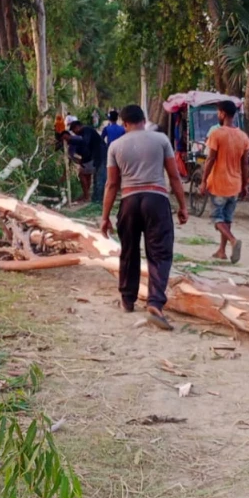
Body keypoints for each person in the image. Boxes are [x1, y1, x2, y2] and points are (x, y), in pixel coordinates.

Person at [101, 104, 189, 330]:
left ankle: (127, 299)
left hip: (129, 201)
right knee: (159, 252)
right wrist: (182, 206)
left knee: (129, 251)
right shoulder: (161, 140)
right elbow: (174, 176)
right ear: (143, 119)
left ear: (124, 123)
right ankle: (155, 303)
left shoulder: (116, 146)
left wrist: (105, 217)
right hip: (156, 199)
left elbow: (112, 184)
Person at [201, 100, 249, 263]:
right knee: (227, 219)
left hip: (219, 183)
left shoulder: (217, 133)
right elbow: (245, 163)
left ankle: (233, 240)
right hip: (235, 184)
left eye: (218, 112)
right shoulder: (243, 136)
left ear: (222, 113)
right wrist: (245, 184)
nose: (218, 115)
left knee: (217, 218)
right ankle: (221, 251)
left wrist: (203, 181)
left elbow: (210, 159)